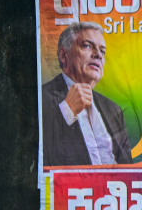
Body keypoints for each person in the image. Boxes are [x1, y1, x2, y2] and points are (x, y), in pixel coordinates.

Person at [42, 22, 133, 166]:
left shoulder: (113, 110)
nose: (98, 55)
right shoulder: (41, 98)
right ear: (63, 54)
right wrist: (67, 112)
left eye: (102, 51)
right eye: (87, 46)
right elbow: (41, 158)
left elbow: (128, 169)